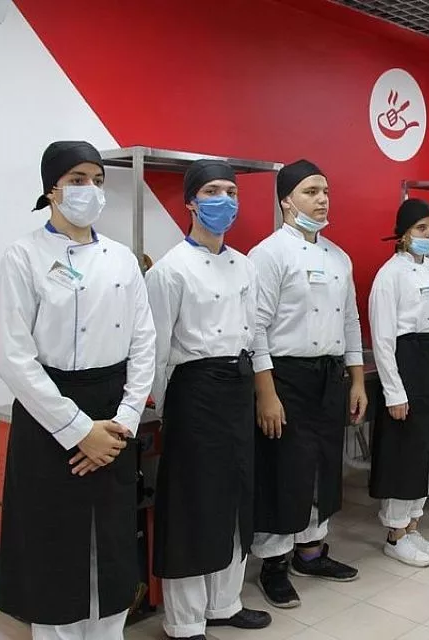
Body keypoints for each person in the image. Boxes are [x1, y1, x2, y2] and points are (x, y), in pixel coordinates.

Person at [0, 141, 156, 640]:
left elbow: (143, 344)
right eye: (78, 180)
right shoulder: (23, 256)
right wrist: (79, 430)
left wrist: (123, 422)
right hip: (49, 413)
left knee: (113, 544)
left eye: (98, 181)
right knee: (54, 546)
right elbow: (12, 355)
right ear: (52, 190)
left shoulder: (122, 259)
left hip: (113, 410)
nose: (90, 190)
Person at [147, 160, 271, 640]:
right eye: (213, 191)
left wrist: (261, 390)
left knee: (236, 496)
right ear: (191, 203)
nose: (224, 200)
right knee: (193, 503)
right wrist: (162, 409)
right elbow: (155, 350)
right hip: (194, 392)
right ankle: (184, 621)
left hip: (237, 386)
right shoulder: (170, 269)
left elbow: (255, 334)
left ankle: (225, 603)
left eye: (231, 192)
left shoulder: (245, 265)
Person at [249, 160, 367, 609]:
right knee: (284, 470)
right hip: (285, 377)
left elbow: (351, 321)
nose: (321, 200)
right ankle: (274, 565)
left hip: (329, 375)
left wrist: (357, 381)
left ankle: (311, 552)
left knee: (322, 465)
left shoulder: (339, 257)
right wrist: (266, 393)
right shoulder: (268, 254)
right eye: (310, 191)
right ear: (286, 200)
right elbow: (255, 328)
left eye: (325, 191)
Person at [369, 198, 429, 566]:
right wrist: (394, 392)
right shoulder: (390, 275)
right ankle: (395, 533)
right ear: (403, 234)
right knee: (405, 451)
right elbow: (382, 339)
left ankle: (414, 525)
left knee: (428, 448)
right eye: (421, 228)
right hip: (408, 363)